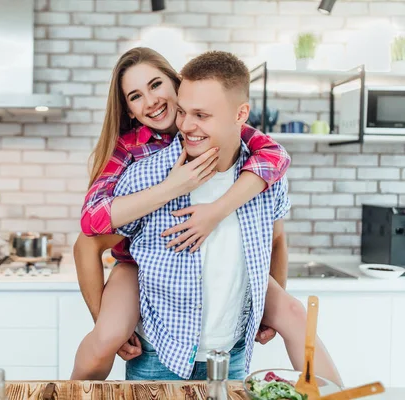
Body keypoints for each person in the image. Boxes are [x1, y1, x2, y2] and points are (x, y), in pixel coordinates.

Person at [71, 48, 342, 384]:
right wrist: (170, 188)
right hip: (139, 276)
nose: (154, 103)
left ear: (176, 83)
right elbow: (90, 229)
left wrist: (216, 212)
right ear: (128, 108)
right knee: (107, 335)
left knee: (294, 313)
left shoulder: (256, 162)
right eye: (136, 96)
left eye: (157, 85)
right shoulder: (138, 162)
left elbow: (275, 182)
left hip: (230, 345)